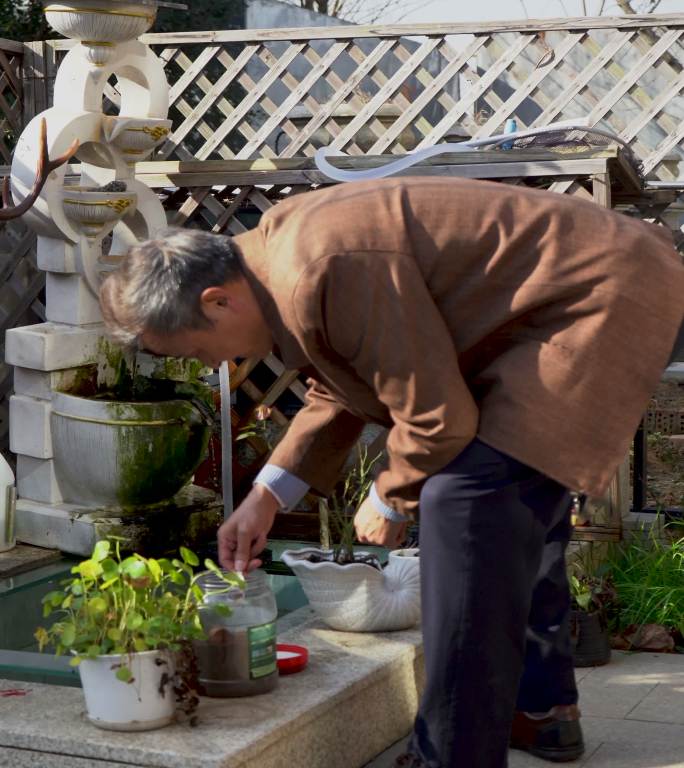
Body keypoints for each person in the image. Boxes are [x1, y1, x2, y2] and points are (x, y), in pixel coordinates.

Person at [99, 177, 684, 768]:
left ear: (216, 301)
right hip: (564, 298)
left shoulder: (317, 268)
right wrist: (266, 497)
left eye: (195, 351)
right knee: (509, 506)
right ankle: (541, 712)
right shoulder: (276, 261)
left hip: (596, 294)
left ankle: (450, 756)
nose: (212, 364)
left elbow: (438, 419)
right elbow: (341, 381)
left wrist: (391, 494)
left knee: (466, 503)